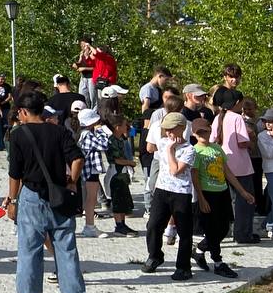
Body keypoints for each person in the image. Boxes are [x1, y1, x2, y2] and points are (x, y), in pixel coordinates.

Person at [4, 91, 89, 293]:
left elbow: (15, 173)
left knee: (29, 248)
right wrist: (71, 181)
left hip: (32, 195)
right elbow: (78, 158)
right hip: (59, 195)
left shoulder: (18, 134)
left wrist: (12, 200)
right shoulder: (59, 131)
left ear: (23, 112)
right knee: (67, 250)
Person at [191, 118, 252, 278]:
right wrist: (201, 199)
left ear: (210, 130)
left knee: (224, 228)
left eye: (205, 131)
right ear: (194, 134)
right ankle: (218, 262)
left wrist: (242, 192)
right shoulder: (195, 151)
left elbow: (227, 172)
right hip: (207, 193)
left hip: (222, 192)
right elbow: (195, 177)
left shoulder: (217, 148)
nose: (203, 135)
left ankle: (199, 250)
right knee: (212, 229)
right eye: (199, 133)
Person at [143, 111, 196, 280]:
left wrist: (171, 150)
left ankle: (183, 267)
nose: (168, 133)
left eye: (172, 129)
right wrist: (167, 146)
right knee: (153, 225)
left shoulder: (189, 149)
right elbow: (150, 146)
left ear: (182, 128)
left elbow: (175, 171)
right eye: (166, 129)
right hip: (162, 189)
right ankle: (155, 255)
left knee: (184, 231)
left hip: (181, 192)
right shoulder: (163, 141)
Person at [209, 89, 259, 244]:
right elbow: (242, 142)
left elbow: (212, 139)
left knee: (229, 200)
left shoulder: (218, 117)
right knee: (245, 200)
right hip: (241, 165)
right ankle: (243, 234)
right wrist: (251, 141)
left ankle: (224, 231)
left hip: (223, 163)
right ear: (237, 102)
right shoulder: (237, 118)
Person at [75, 109, 109, 238]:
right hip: (90, 169)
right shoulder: (86, 135)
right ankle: (89, 226)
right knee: (91, 198)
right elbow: (103, 145)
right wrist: (101, 131)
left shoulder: (86, 133)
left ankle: (90, 225)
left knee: (92, 198)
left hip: (90, 169)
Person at [105, 115, 139, 237]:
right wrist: (130, 162)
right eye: (125, 125)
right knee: (118, 201)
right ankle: (118, 225)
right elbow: (116, 159)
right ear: (117, 127)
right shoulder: (112, 140)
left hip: (122, 173)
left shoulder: (120, 139)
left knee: (123, 201)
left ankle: (123, 224)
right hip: (116, 173)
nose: (127, 127)